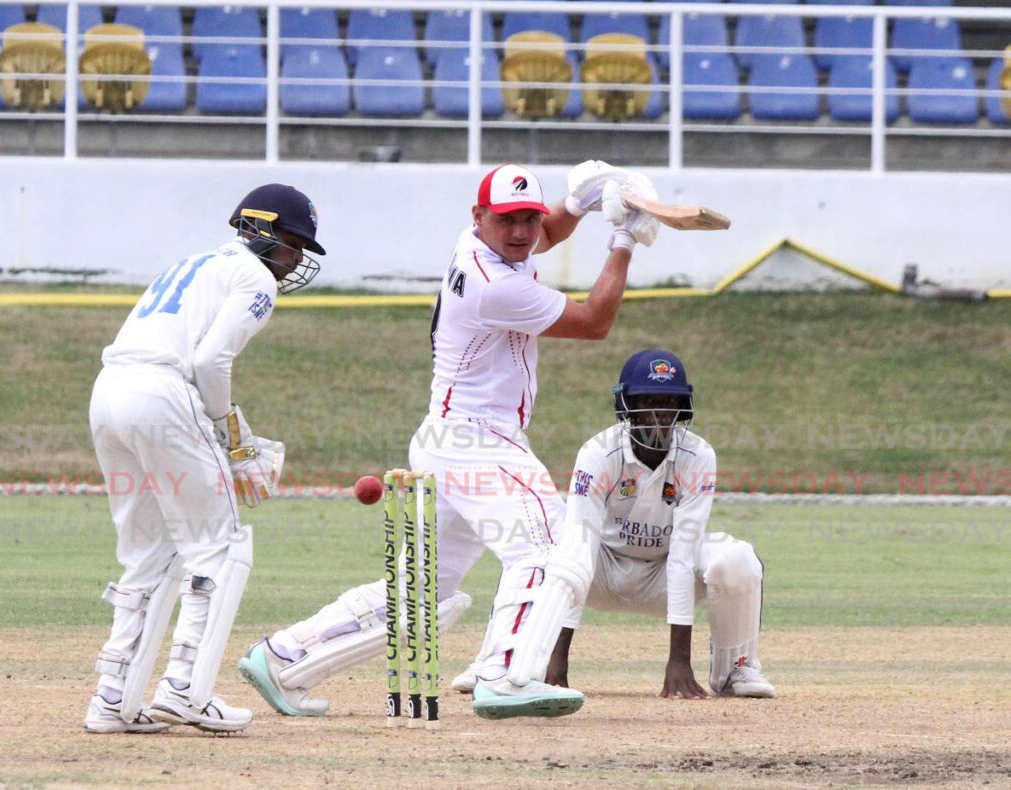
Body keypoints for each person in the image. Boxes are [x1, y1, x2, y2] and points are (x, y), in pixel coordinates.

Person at [238, 161, 661, 719]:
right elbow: (595, 321)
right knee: (549, 544)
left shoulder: (479, 246)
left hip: (449, 437)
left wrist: (579, 203)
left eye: (528, 218)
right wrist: (624, 238)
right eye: (507, 219)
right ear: (479, 216)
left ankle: (282, 655)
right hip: (477, 440)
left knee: (421, 593)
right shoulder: (493, 287)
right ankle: (504, 676)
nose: (521, 232)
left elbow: (545, 236)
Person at [83, 184, 324, 734]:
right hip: (164, 393)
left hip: (108, 394)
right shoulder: (256, 277)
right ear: (261, 231)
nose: (296, 259)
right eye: (292, 243)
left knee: (147, 555)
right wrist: (234, 440)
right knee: (220, 546)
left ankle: (113, 698)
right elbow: (210, 361)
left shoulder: (192, 261)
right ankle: (186, 690)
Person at [454, 349, 775, 702]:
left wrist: (679, 661)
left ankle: (736, 668)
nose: (661, 413)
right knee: (543, 544)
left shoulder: (698, 455)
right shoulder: (597, 453)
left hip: (663, 575)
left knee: (737, 559)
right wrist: (557, 663)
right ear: (626, 406)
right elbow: (580, 545)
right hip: (599, 573)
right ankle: (498, 661)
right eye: (648, 401)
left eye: (670, 401)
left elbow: (684, 555)